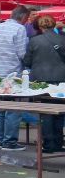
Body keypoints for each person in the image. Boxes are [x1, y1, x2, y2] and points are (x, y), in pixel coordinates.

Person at [0, 6, 32, 151]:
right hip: (12, 73)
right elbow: (22, 53)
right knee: (14, 108)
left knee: (1, 109)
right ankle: (9, 142)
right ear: (23, 17)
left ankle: (1, 140)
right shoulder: (19, 29)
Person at [24, 15, 65, 153]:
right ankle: (59, 142)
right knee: (59, 111)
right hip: (61, 79)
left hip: (41, 80)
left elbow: (27, 61)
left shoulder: (34, 41)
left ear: (40, 26)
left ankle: (48, 144)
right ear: (54, 25)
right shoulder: (63, 38)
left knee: (46, 112)